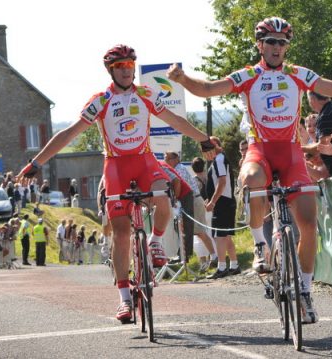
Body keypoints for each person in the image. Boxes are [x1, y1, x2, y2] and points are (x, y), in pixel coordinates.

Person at [167, 16, 332, 323]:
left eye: (282, 42)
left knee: (309, 220)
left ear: (287, 47)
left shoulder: (297, 74)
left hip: (290, 153)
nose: (277, 47)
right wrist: (183, 80)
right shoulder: (248, 75)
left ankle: (304, 290)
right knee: (251, 179)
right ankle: (261, 246)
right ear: (260, 45)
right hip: (260, 150)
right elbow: (208, 88)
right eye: (271, 42)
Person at [17, 44, 215, 323]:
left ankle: (156, 242)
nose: (126, 71)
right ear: (111, 70)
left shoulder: (145, 94)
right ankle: (123, 299)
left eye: (130, 66)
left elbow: (174, 120)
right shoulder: (101, 100)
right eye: (120, 67)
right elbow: (70, 133)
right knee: (121, 234)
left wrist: (203, 138)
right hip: (116, 166)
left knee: (162, 194)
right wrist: (37, 162)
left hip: (144, 160)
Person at [164, 152, 217, 263]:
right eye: (165, 159)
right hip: (193, 200)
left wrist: (176, 199)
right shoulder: (179, 168)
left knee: (199, 231)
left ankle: (214, 256)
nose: (166, 162)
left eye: (168, 159)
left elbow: (178, 184)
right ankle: (208, 258)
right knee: (197, 232)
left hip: (194, 200)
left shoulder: (179, 169)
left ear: (176, 159)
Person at [204, 137, 240, 279]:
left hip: (223, 203)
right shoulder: (219, 159)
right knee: (226, 237)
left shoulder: (219, 159)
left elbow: (222, 182)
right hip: (226, 201)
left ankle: (221, 267)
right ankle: (234, 264)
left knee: (219, 236)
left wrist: (213, 201)